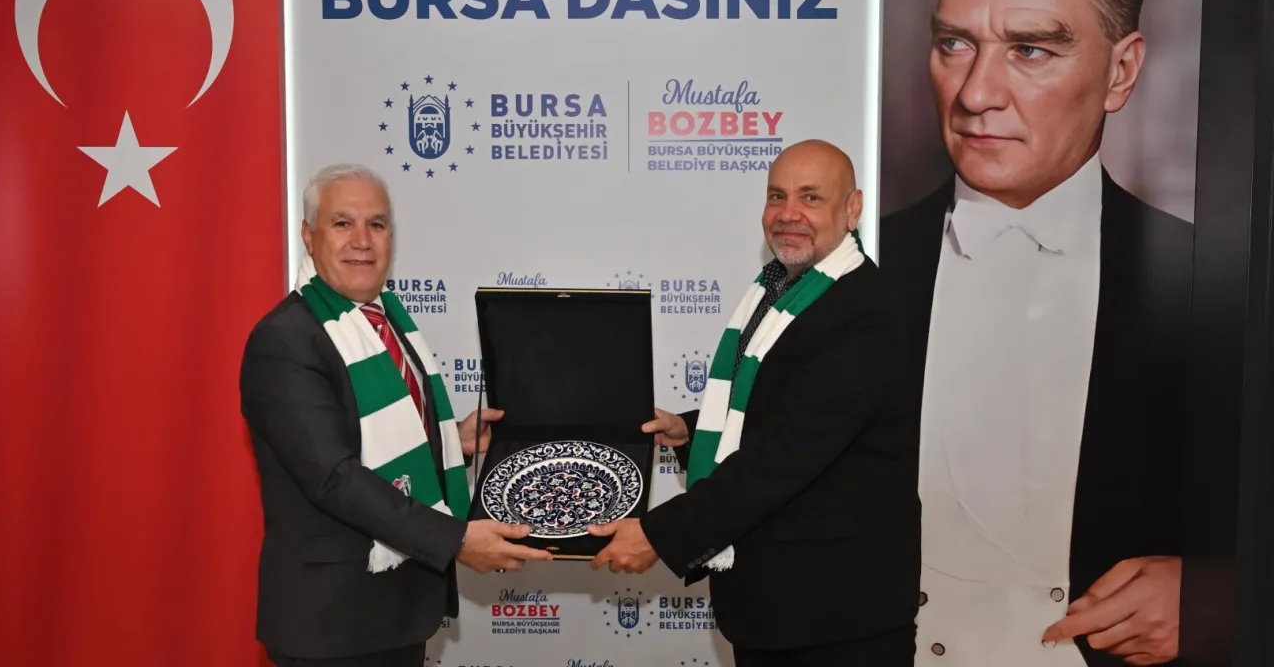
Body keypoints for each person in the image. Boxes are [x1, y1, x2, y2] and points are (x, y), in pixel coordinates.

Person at [878, 0, 1188, 665]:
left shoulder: (1212, 282)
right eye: (954, 43)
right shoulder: (852, 273)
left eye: (1030, 49)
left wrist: (1218, 593)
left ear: (1121, 71)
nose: (976, 93)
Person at [588, 139, 920, 666]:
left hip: (837, 618)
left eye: (811, 197)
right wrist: (691, 429)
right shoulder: (780, 290)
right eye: (777, 196)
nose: (789, 214)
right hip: (778, 606)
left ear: (852, 208)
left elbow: (787, 454)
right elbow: (778, 409)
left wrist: (659, 534)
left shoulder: (863, 310)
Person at [240, 164, 553, 667]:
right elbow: (333, 476)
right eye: (342, 223)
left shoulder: (388, 322)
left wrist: (451, 441)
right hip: (331, 624)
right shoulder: (285, 341)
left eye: (377, 224)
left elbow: (386, 438)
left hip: (400, 608)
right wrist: (455, 540)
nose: (362, 241)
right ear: (309, 236)